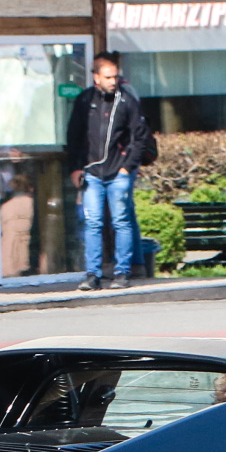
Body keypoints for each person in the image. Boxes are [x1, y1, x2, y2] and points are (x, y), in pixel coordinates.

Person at [61, 50, 147, 290]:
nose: (113, 82)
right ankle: (92, 274)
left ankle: (122, 272)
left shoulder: (126, 101)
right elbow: (74, 136)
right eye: (108, 77)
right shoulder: (85, 101)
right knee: (93, 223)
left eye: (115, 77)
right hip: (92, 173)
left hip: (118, 172)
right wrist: (75, 168)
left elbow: (139, 138)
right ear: (95, 77)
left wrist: (127, 168)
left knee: (121, 221)